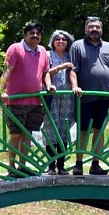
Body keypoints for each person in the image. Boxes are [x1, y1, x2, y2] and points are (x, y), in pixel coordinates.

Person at [0, 21, 55, 177]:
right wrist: (2, 90)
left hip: (35, 101)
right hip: (16, 100)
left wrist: (49, 85)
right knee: (16, 134)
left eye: (38, 34)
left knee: (27, 134)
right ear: (25, 35)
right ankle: (11, 167)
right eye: (32, 33)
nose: (35, 36)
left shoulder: (43, 51)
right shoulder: (15, 48)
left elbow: (45, 73)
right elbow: (7, 70)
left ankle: (23, 166)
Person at [69, 16, 109, 176]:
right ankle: (78, 164)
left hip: (104, 97)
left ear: (101, 30)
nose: (94, 30)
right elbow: (72, 69)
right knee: (83, 131)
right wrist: (75, 86)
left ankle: (95, 164)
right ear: (86, 29)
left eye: (97, 27)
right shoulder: (77, 45)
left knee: (99, 130)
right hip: (84, 97)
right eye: (91, 27)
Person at [41, 29, 75, 175]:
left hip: (67, 98)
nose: (61, 41)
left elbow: (73, 73)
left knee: (64, 130)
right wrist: (60, 68)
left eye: (64, 39)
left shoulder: (71, 56)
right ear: (53, 42)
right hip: (52, 96)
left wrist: (75, 87)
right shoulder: (48, 55)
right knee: (51, 129)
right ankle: (51, 166)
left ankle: (61, 166)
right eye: (58, 39)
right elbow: (45, 73)